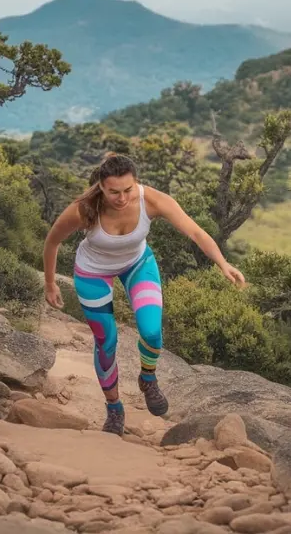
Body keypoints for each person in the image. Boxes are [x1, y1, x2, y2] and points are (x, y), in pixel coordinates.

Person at [42, 154, 246, 436]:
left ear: (135, 182)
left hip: (137, 264)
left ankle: (147, 377)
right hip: (93, 272)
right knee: (107, 341)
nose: (122, 198)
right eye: (114, 192)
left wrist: (223, 264)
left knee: (151, 332)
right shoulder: (84, 208)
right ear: (101, 187)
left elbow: (196, 233)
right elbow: (52, 241)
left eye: (127, 190)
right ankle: (114, 408)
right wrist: (50, 284)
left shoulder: (152, 200)